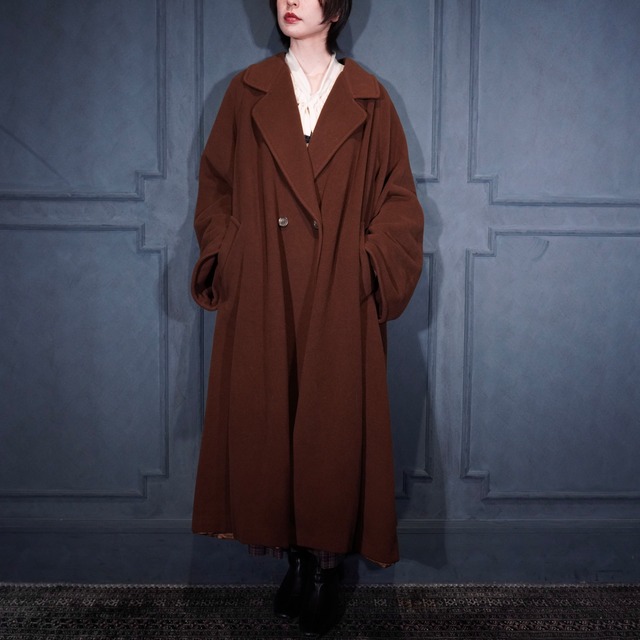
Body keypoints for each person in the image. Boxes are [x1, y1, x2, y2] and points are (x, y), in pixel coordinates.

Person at [190, 0, 424, 635]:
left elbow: (399, 201)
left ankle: (324, 567)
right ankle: (293, 559)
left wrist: (366, 266)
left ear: (337, 8)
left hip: (337, 292)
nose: (290, 1)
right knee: (269, 421)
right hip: (265, 284)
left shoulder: (371, 98)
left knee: (330, 427)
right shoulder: (247, 92)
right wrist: (231, 255)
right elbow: (215, 187)